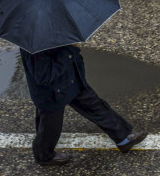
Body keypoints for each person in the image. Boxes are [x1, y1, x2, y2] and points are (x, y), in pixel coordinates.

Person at [20, 44, 148, 166]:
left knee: (96, 106)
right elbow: (44, 77)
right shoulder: (34, 46)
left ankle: (123, 139)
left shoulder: (55, 28)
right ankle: (44, 156)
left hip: (71, 80)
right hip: (52, 93)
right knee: (50, 127)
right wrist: (70, 51)